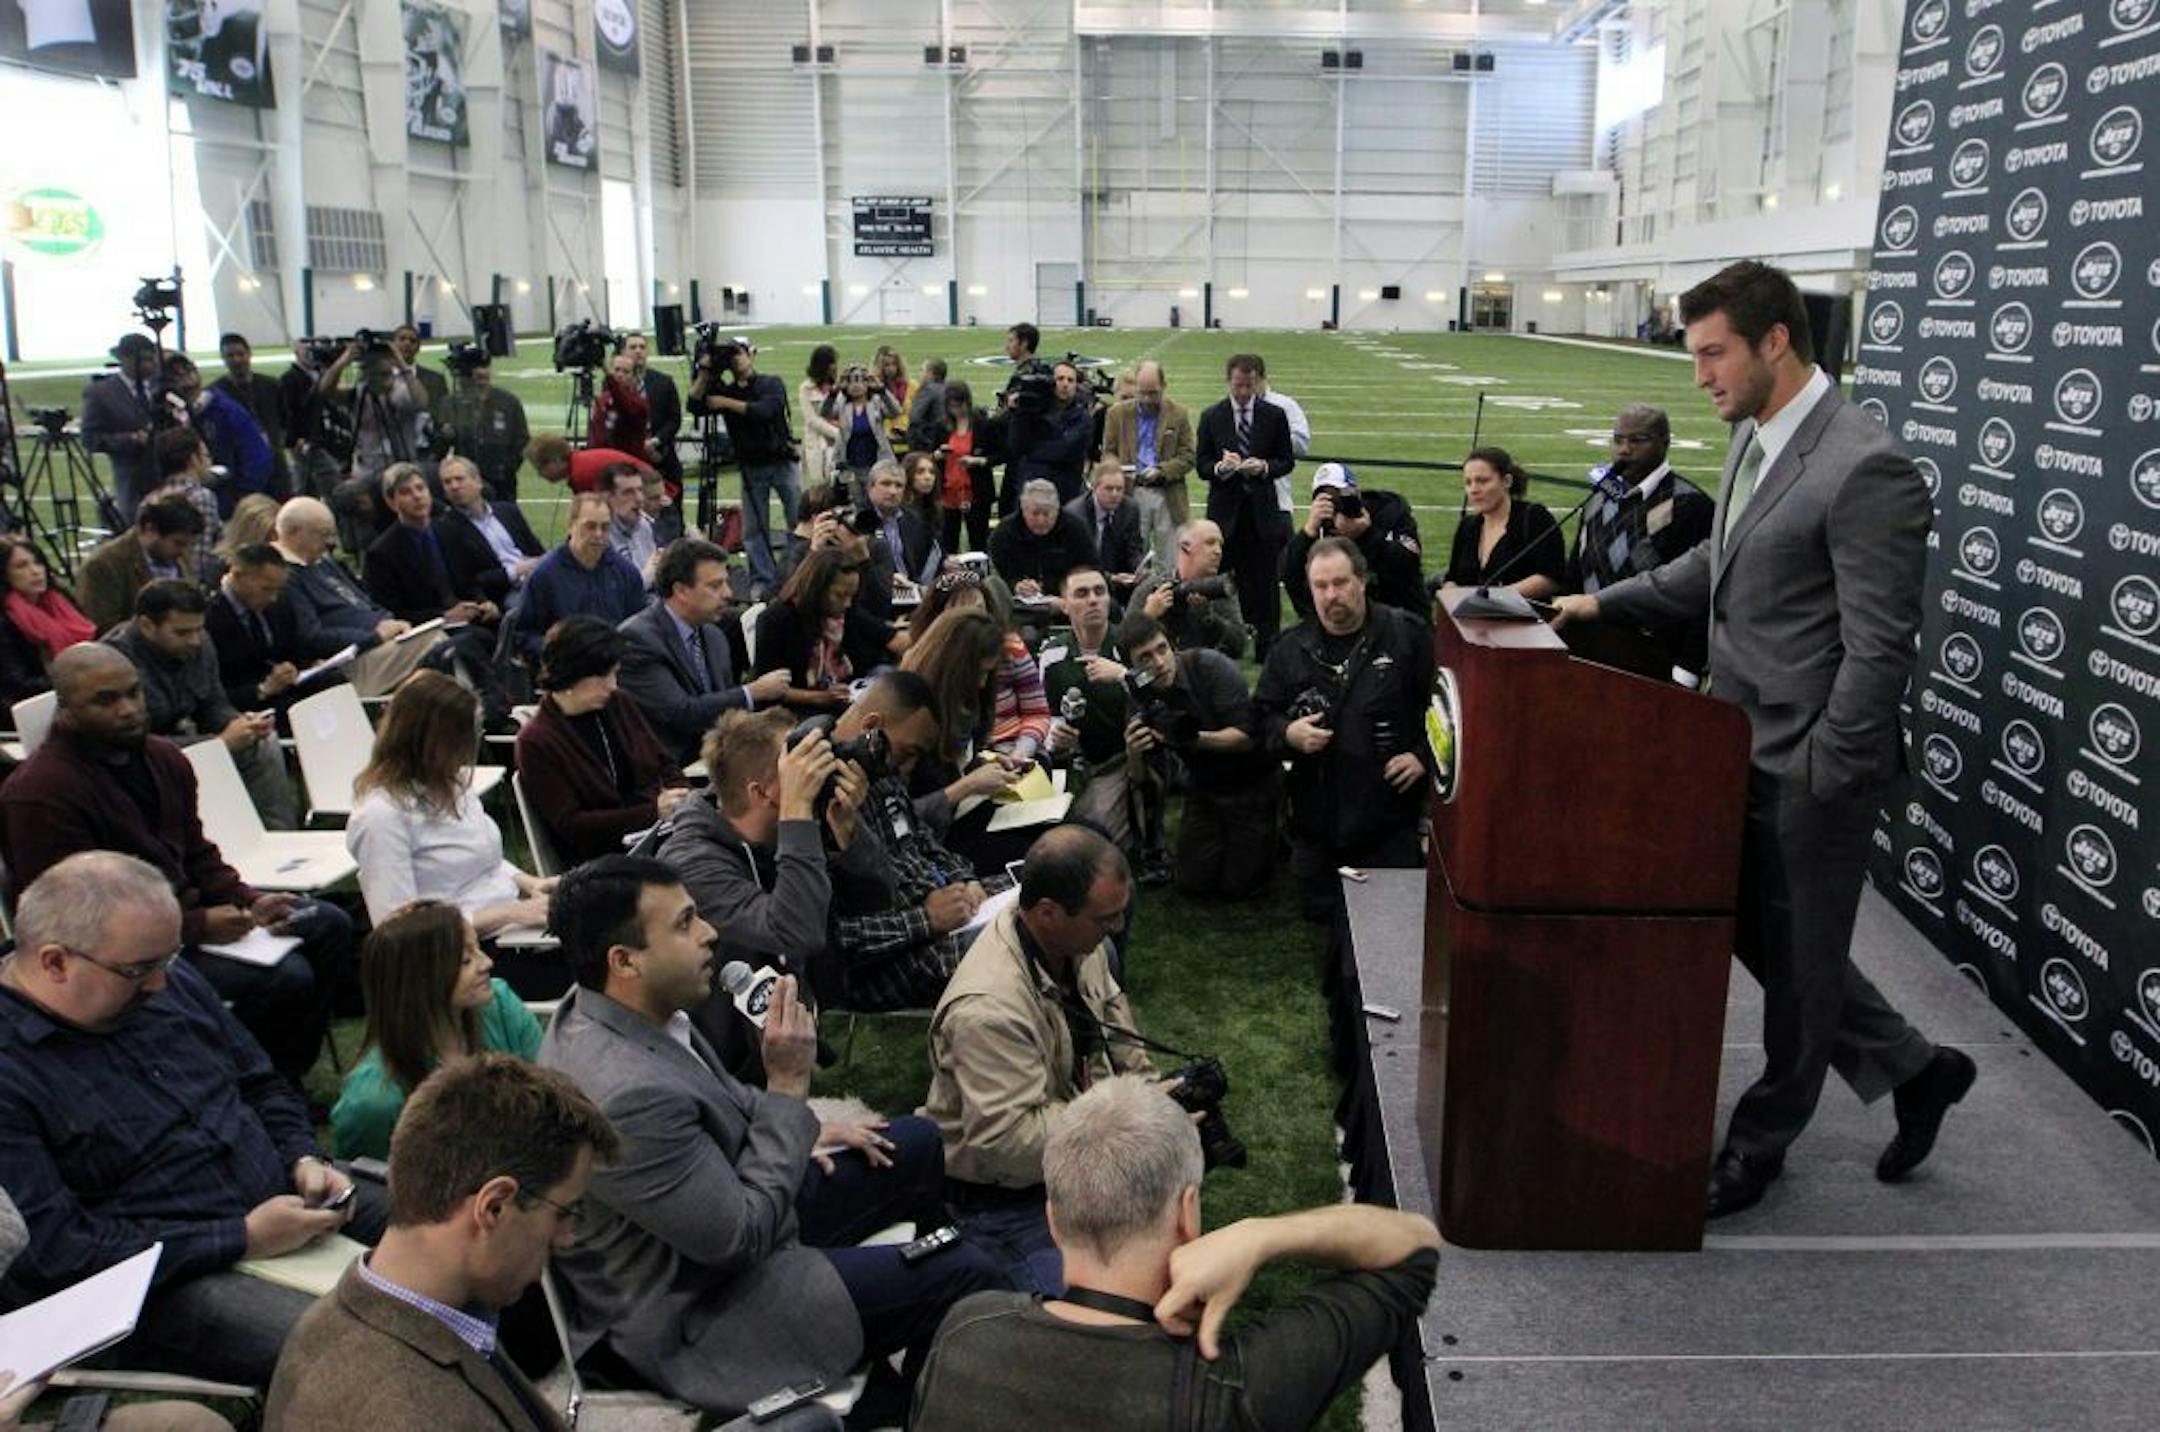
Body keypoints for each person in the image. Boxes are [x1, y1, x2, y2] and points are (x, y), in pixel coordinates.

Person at [1549, 259, 1974, 1218]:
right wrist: (1597, 599)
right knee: (1766, 941)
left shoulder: (1865, 465)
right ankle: (1918, 1068)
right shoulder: (1754, 437)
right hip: (1729, 750)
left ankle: (1759, 1146)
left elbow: (1878, 652)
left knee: (1801, 974)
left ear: (1773, 341)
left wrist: (1824, 773)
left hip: (1812, 772)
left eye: (1713, 353)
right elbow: (1717, 562)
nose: (1697, 374)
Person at [536, 856, 1000, 1418]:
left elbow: (721, 1099)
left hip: (733, 1210)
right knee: (965, 1272)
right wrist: (788, 1086)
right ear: (624, 961)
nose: (709, 933)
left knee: (919, 1145)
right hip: (703, 1309)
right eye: (684, 924)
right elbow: (743, 1238)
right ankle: (914, 1403)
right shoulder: (624, 1096)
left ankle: (917, 1336)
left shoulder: (614, 1008)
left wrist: (807, 1125)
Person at [0, 852, 381, 1388]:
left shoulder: (155, 976)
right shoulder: (11, 1071)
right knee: (352, 1354)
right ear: (55, 962)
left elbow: (260, 1080)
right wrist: (240, 1237)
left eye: (169, 960)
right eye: (138, 971)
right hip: (161, 1280)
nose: (159, 984)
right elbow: (57, 1254)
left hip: (277, 1199)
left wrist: (304, 1155)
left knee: (468, 1220)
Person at [909, 1075, 1440, 1431]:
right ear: (1189, 1214)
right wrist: (1262, 1234)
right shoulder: (1232, 1392)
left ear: (1053, 1218)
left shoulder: (965, 1330)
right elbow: (1412, 1245)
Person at [0, 647, 354, 1082]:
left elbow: (197, 852)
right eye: (106, 701)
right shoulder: (41, 792)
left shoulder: (165, 759)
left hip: (192, 917)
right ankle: (252, 1083)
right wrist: (198, 925)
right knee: (287, 978)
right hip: (119, 951)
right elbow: (71, 918)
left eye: (134, 694)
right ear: (68, 710)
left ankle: (283, 1073)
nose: (128, 710)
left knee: (328, 923)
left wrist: (248, 900)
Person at [271, 1054, 616, 1431]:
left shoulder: (336, 1322)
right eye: (564, 1212)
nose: (566, 1238)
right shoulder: (417, 1415)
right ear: (494, 1207)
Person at [921, 825, 1153, 1291]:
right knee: (1093, 1308)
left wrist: (1152, 1096)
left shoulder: (1077, 941)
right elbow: (1009, 1143)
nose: (1118, 929)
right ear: (1048, 913)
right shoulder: (987, 1009)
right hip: (1003, 1201)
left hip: (1064, 1157)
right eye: (1105, 917)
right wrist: (1124, 1120)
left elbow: (1114, 1020)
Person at [1255, 539, 1434, 924]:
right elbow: (1260, 720)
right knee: (1323, 916)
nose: (1331, 595)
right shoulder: (1289, 649)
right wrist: (1289, 733)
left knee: (1390, 924)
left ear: (1363, 581)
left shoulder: (1407, 636)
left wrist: (1422, 755)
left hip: (1387, 815)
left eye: (1340, 583)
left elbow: (1448, 711)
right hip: (1317, 817)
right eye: (1320, 586)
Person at [817, 671, 1017, 1011]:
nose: (908, 767)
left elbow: (922, 841)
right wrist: (926, 919)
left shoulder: (883, 773)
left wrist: (964, 880)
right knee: (1028, 941)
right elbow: (831, 943)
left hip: (946, 919)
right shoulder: (816, 796)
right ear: (871, 726)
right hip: (892, 958)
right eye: (907, 752)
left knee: (1057, 881)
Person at [660, 711, 866, 1010]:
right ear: (761, 792)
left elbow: (878, 899)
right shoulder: (692, 864)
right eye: (796, 768)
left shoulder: (795, 820)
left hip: (820, 1001)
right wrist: (796, 811)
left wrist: (849, 834)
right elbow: (797, 934)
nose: (812, 774)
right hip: (740, 1038)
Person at [329, 904, 545, 1162]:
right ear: (419, 980)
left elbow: (549, 1094)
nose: (487, 963)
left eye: (478, 949)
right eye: (466, 960)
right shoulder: (374, 1103)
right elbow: (371, 1184)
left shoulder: (498, 1003)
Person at [345, 671, 554, 936]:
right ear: (434, 744)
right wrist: (510, 913)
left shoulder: (451, 781)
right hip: (455, 952)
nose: (472, 746)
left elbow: (486, 861)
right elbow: (399, 928)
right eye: (467, 737)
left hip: (507, 922)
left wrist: (531, 884)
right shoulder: (381, 817)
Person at [104, 580, 299, 830]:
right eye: (183, 632)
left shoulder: (199, 643)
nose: (195, 640)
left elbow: (212, 701)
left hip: (190, 740)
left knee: (261, 742)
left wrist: (238, 723)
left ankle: (278, 833)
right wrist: (217, 744)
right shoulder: (114, 664)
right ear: (147, 626)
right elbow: (130, 742)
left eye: (198, 629)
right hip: (139, 761)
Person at [1119, 612, 1277, 900]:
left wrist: (1191, 738)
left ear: (1172, 645)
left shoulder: (1210, 666)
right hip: (1203, 787)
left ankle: (1273, 831)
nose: (1158, 663)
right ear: (1134, 666)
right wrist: (1134, 753)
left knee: (1240, 886)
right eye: (1144, 658)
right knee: (1192, 883)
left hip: (1250, 780)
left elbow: (1246, 737)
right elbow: (1146, 781)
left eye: (1162, 649)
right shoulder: (1140, 693)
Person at [514, 616, 689, 868]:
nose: (612, 685)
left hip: (653, 833)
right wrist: (653, 812)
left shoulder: (618, 703)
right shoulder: (537, 741)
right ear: (569, 674)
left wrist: (680, 794)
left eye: (614, 674)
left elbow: (663, 761)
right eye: (601, 678)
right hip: (602, 856)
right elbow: (572, 825)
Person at [1564, 404, 1715, 677]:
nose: (1624, 449)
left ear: (1665, 443)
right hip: (1589, 647)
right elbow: (1577, 568)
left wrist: (1687, 669)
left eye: (1637, 440)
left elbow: (1699, 593)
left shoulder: (1691, 505)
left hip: (1653, 659)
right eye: (1618, 440)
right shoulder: (1599, 497)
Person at [617, 538, 789, 768]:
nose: (728, 593)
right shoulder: (638, 640)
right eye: (715, 586)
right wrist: (753, 692)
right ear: (681, 590)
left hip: (715, 761)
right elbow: (680, 713)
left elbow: (724, 711)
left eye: (726, 583)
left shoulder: (714, 635)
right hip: (667, 770)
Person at [272, 497, 450, 697]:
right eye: (323, 534)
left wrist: (389, 620)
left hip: (381, 639)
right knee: (439, 644)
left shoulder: (319, 560)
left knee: (458, 639)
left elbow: (363, 599)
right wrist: (375, 636)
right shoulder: (283, 575)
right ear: (295, 532)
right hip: (352, 658)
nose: (330, 542)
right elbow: (311, 637)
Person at [1196, 355, 1297, 657]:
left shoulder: (1274, 415)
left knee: (1265, 581)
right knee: (1220, 582)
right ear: (1229, 381)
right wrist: (1220, 468)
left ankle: (1268, 646)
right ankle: (1224, 643)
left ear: (1259, 381)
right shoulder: (1212, 416)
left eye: (1249, 385)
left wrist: (1264, 467)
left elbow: (1286, 460)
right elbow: (1201, 464)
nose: (1242, 392)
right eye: (1238, 385)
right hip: (1224, 515)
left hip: (1262, 513)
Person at [692, 336, 801, 599]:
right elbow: (694, 404)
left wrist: (726, 404)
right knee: (753, 530)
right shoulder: (725, 389)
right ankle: (763, 581)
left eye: (739, 352)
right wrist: (706, 370)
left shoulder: (770, 383)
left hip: (782, 460)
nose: (736, 358)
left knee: (797, 520)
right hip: (751, 467)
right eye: (732, 355)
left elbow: (767, 410)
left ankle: (799, 573)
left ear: (752, 355)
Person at [363, 463, 502, 629]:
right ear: (391, 502)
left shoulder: (448, 530)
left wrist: (483, 602)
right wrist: (443, 616)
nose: (417, 496)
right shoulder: (382, 553)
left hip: (471, 617)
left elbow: (471, 579)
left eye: (420, 488)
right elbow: (391, 612)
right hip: (429, 630)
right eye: (406, 492)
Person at [752, 549, 893, 712]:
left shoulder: (844, 613)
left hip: (844, 692)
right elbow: (768, 688)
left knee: (887, 677)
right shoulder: (777, 619)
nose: (847, 603)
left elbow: (885, 636)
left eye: (851, 596)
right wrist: (820, 697)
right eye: (839, 595)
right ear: (817, 588)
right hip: (800, 705)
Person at [1285, 463, 1426, 625]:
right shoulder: (1320, 529)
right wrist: (1308, 532)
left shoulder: (1390, 510)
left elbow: (1409, 563)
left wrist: (1366, 534)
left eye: (1340, 496)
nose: (1336, 506)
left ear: (1355, 492)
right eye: (1325, 499)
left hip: (1398, 617)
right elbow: (1290, 578)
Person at [513, 493, 649, 660]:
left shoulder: (625, 573)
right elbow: (523, 636)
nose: (598, 534)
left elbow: (640, 628)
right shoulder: (544, 575)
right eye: (590, 526)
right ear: (570, 525)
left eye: (605, 527)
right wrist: (560, 651)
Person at [1099, 359, 1197, 570]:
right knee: (1134, 560)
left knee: (1172, 562)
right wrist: (1118, 471)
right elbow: (1108, 452)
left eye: (1152, 393)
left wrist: (1162, 471)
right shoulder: (1117, 414)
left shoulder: (1178, 413)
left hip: (1167, 493)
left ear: (1163, 386)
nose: (1146, 398)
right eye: (1142, 392)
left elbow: (1188, 456)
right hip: (1132, 492)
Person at [205, 543, 313, 721]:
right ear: (238, 575)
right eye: (266, 589)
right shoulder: (209, 617)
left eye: (278, 589)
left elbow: (294, 650)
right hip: (244, 706)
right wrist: (264, 688)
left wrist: (303, 667)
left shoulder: (279, 605)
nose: (273, 597)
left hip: (286, 690)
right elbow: (214, 693)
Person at [1441, 445, 1563, 598]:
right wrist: (1450, 592)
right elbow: (1452, 577)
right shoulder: (1467, 526)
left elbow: (1551, 578)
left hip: (1523, 618)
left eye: (1482, 481)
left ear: (1506, 481)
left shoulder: (1534, 517)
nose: (1473, 489)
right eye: (1468, 482)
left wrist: (1493, 597)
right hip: (1469, 618)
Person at [74, 496, 208, 633]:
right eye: (178, 543)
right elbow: (102, 626)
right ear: (150, 529)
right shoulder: (104, 566)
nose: (184, 552)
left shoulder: (177, 557)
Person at [164, 354, 275, 515]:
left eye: (186, 371)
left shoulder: (225, 410)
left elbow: (257, 456)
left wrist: (242, 496)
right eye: (176, 375)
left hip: (230, 501)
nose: (183, 377)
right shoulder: (174, 415)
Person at [434, 454, 546, 608]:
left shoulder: (508, 511)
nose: (454, 486)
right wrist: (514, 571)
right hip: (505, 593)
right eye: (447, 482)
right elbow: (469, 580)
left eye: (459, 479)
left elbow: (537, 550)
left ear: (477, 481)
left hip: (537, 577)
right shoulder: (446, 528)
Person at [0, 534, 97, 706]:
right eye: (21, 566)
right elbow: (18, 685)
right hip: (32, 705)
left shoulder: (61, 600)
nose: (36, 571)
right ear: (4, 575)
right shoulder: (5, 622)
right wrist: (79, 679)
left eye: (38, 562)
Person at [1128, 519, 1246, 659]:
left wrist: (1210, 620)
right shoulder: (1152, 589)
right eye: (1210, 543)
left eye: (1220, 544)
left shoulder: (1221, 590)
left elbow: (1239, 647)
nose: (1218, 551)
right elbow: (1124, 645)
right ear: (1185, 547)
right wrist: (1148, 616)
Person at [78, 333, 164, 521]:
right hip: (132, 480)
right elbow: (89, 439)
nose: (150, 366)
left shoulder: (162, 385)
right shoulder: (101, 393)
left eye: (152, 359)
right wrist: (130, 439)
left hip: (167, 475)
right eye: (143, 360)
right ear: (125, 359)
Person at [996, 360, 1094, 512]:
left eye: (1070, 380)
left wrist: (1032, 451)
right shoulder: (1033, 411)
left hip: (1065, 496)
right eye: (1060, 379)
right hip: (1030, 494)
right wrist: (1019, 413)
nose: (1065, 384)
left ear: (1076, 386)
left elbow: (1065, 451)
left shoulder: (1083, 418)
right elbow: (1015, 445)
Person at [436, 347, 532, 499]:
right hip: (465, 476)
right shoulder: (451, 403)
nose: (482, 373)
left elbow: (521, 440)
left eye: (485, 368)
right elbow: (440, 446)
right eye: (476, 369)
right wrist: (445, 435)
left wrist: (508, 467)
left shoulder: (508, 402)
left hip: (501, 479)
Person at [989, 480, 1099, 608]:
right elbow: (997, 576)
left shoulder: (1075, 529)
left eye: (1047, 514)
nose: (1041, 520)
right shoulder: (1004, 533)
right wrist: (1016, 585)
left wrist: (1067, 593)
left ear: (1057, 510)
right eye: (1035, 514)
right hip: (1020, 604)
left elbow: (1091, 567)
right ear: (1023, 510)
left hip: (1068, 597)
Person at [858, 458, 943, 623]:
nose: (893, 491)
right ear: (870, 487)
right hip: (873, 600)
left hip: (912, 595)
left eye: (899, 486)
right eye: (886, 484)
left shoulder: (913, 520)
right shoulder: (857, 521)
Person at [142, 428, 224, 580]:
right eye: (205, 455)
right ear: (193, 459)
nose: (209, 461)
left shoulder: (149, 500)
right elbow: (199, 558)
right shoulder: (201, 497)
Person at [214, 332, 291, 489]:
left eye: (240, 354)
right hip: (240, 468)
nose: (236, 360)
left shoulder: (272, 385)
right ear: (223, 359)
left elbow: (285, 420)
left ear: (249, 354)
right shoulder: (217, 393)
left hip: (275, 464)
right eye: (230, 356)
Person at [1063, 460, 1147, 601]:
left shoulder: (1130, 509)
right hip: (1085, 578)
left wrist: (1140, 569)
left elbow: (1134, 549)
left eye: (1119, 489)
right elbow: (1079, 562)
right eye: (1109, 489)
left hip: (1121, 579)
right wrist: (1109, 578)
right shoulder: (1076, 515)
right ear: (1095, 488)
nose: (1115, 494)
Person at [933, 379, 999, 553]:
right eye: (952, 406)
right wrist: (938, 455)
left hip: (975, 492)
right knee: (948, 542)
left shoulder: (982, 425)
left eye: (960, 405)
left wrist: (978, 461)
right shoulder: (941, 426)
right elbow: (930, 453)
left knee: (978, 542)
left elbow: (1000, 454)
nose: (957, 410)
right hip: (948, 492)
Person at [822, 363, 902, 500]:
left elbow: (895, 411)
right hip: (850, 464)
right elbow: (825, 412)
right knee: (856, 502)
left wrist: (882, 390)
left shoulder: (876, 402)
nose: (856, 385)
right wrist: (834, 391)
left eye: (860, 380)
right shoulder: (842, 404)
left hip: (876, 462)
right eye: (851, 381)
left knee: (877, 500)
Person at [621, 331, 684, 489]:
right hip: (627, 459)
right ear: (623, 352)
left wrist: (656, 441)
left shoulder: (664, 382)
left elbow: (674, 420)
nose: (638, 351)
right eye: (632, 347)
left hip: (661, 457)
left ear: (648, 352)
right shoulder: (616, 386)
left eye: (642, 347)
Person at [524, 435, 653, 495]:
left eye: (541, 468)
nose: (540, 475)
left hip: (652, 496)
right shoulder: (580, 463)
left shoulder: (581, 475)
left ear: (557, 461)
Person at [601, 461, 660, 580]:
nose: (639, 499)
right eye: (628, 492)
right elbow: (616, 593)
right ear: (608, 498)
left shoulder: (644, 526)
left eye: (640, 490)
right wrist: (650, 573)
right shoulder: (600, 536)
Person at [588, 348, 651, 459]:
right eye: (616, 370)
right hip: (601, 458)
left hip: (626, 461)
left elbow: (623, 403)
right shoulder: (602, 399)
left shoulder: (638, 403)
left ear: (635, 377)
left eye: (626, 372)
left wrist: (608, 375)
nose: (620, 375)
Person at [799, 343, 841, 490]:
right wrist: (837, 433)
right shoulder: (806, 388)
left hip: (840, 443)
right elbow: (812, 419)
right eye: (832, 363)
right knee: (821, 487)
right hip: (819, 442)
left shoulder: (839, 385)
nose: (835, 367)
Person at [1253, 353, 1312, 459]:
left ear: (1264, 378)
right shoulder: (1225, 409)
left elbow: (1301, 446)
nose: (1246, 389)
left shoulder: (1285, 405)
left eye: (1253, 382)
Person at [907, 357, 950, 454]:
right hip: (945, 443)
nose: (921, 374)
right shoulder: (949, 389)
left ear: (930, 373)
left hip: (927, 445)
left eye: (922, 370)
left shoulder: (927, 390)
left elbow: (915, 417)